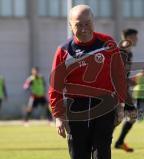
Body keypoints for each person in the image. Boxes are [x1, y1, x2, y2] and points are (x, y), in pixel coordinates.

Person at [49, 5, 127, 159]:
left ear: (94, 22)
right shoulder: (64, 51)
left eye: (87, 23)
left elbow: (119, 76)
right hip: (75, 110)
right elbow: (55, 87)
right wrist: (58, 116)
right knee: (78, 155)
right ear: (70, 25)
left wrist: (121, 105)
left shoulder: (108, 43)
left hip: (105, 107)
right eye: (78, 24)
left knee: (102, 154)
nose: (84, 29)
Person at [114, 28, 138, 152]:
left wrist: (129, 81)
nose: (137, 39)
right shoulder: (122, 50)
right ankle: (110, 140)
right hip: (117, 89)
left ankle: (118, 141)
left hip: (123, 88)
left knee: (125, 116)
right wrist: (129, 81)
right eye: (135, 37)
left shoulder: (129, 52)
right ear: (128, 37)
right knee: (120, 116)